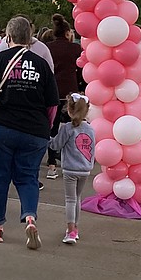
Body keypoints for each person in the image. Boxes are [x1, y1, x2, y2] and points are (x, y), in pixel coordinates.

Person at [0, 16, 59, 250]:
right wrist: (47, 128)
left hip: (0, 128)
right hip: (34, 130)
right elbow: (52, 104)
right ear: (30, 39)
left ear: (8, 37)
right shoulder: (41, 64)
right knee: (28, 177)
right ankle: (30, 217)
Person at [48, 93, 95, 245]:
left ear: (69, 109)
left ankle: (70, 230)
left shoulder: (67, 128)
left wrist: (46, 138)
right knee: (77, 198)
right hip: (85, 169)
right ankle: (75, 228)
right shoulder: (90, 129)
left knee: (70, 199)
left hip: (70, 169)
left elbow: (55, 145)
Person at [45, 14, 82, 179]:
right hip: (70, 92)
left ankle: (51, 164)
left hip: (52, 91)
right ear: (67, 33)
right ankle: (71, 161)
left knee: (52, 129)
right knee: (73, 127)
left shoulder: (48, 48)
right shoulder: (75, 49)